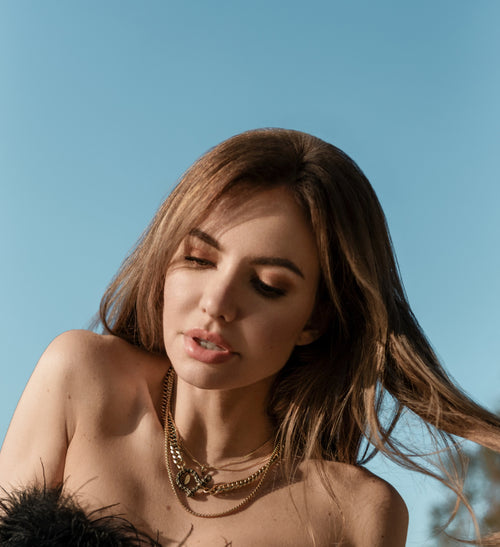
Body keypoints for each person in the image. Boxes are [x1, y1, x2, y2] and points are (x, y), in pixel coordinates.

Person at [0, 128, 499, 546]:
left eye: (267, 285)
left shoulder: (358, 512)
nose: (216, 303)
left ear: (315, 320)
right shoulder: (82, 377)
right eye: (197, 258)